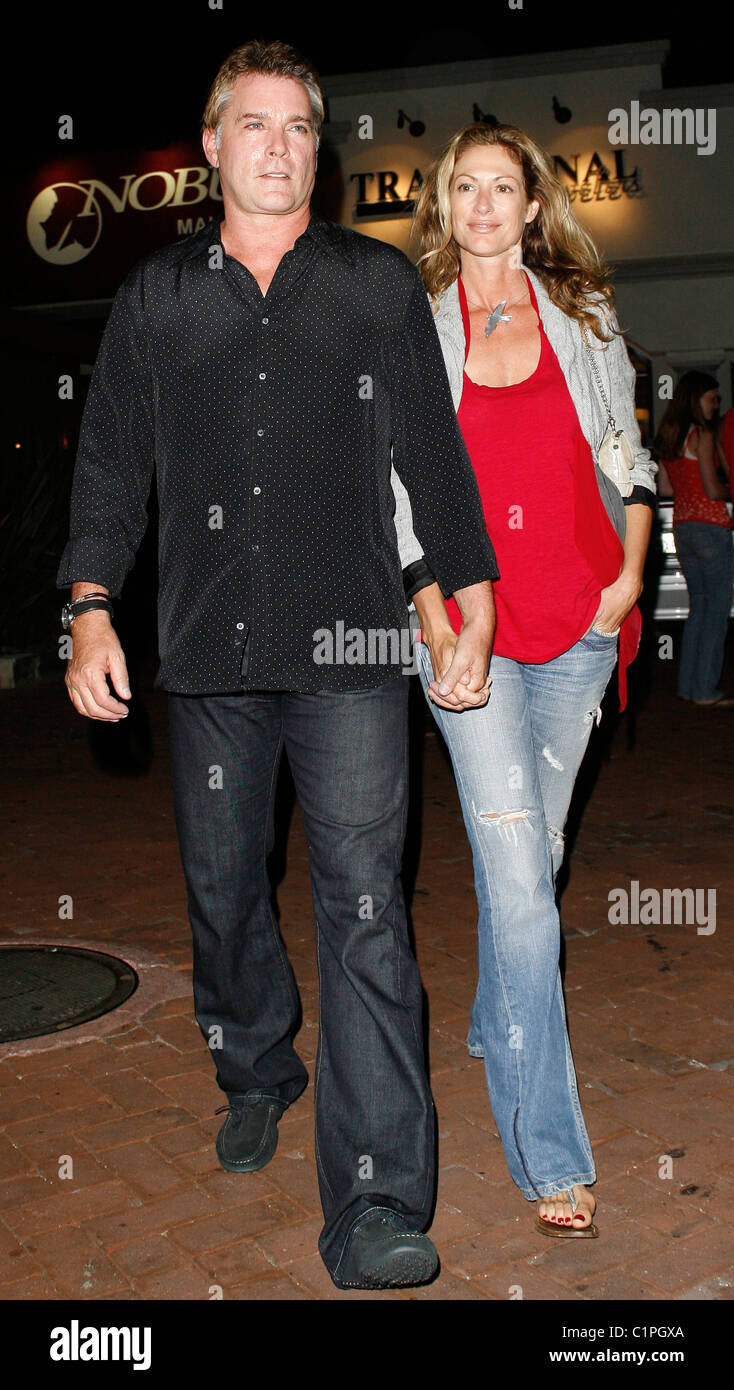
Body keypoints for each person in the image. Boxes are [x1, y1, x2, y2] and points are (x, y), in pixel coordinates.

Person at [56, 42, 500, 1291]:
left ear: (319, 147)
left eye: (299, 126)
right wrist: (90, 607)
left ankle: (372, 1203)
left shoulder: (371, 289)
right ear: (211, 145)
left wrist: (463, 597)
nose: (277, 144)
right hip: (206, 654)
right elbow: (108, 468)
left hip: (355, 645)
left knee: (364, 908)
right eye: (252, 124)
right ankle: (256, 1061)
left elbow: (432, 454)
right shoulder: (158, 299)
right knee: (222, 888)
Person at [392, 122, 656, 1237]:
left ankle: (497, 1006)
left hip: (578, 626)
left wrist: (629, 575)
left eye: (504, 187)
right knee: (514, 884)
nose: (485, 204)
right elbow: (390, 485)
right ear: (444, 204)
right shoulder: (410, 323)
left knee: (532, 869)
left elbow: (627, 460)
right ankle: (551, 1156)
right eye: (466, 187)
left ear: (533, 204)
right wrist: (431, 613)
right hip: (471, 640)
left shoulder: (582, 320)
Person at [655, 374, 733, 706]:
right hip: (711, 527)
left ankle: (689, 685)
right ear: (695, 399)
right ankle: (704, 689)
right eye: (711, 398)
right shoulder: (701, 436)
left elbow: (667, 490)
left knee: (698, 610)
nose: (716, 404)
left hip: (683, 528)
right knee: (715, 612)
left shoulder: (669, 439)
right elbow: (713, 488)